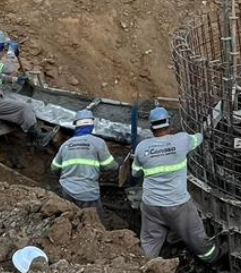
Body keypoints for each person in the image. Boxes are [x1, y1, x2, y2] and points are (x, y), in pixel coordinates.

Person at [131, 107, 221, 263]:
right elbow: (199, 138)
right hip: (178, 205)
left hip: (151, 204)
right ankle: (212, 258)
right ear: (169, 124)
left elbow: (135, 173)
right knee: (195, 236)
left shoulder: (141, 147)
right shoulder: (182, 140)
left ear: (151, 127)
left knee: (150, 240)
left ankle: (145, 266)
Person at [0, 30, 54, 171]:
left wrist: (14, 80)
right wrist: (11, 52)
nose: (2, 51)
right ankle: (38, 138)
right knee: (24, 109)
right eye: (2, 48)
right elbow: (8, 68)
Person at [51, 110, 117, 220]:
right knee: (95, 222)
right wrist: (117, 165)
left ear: (76, 126)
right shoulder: (98, 142)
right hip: (88, 193)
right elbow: (109, 166)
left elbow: (54, 167)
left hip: (66, 191)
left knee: (70, 219)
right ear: (91, 125)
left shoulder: (65, 145)